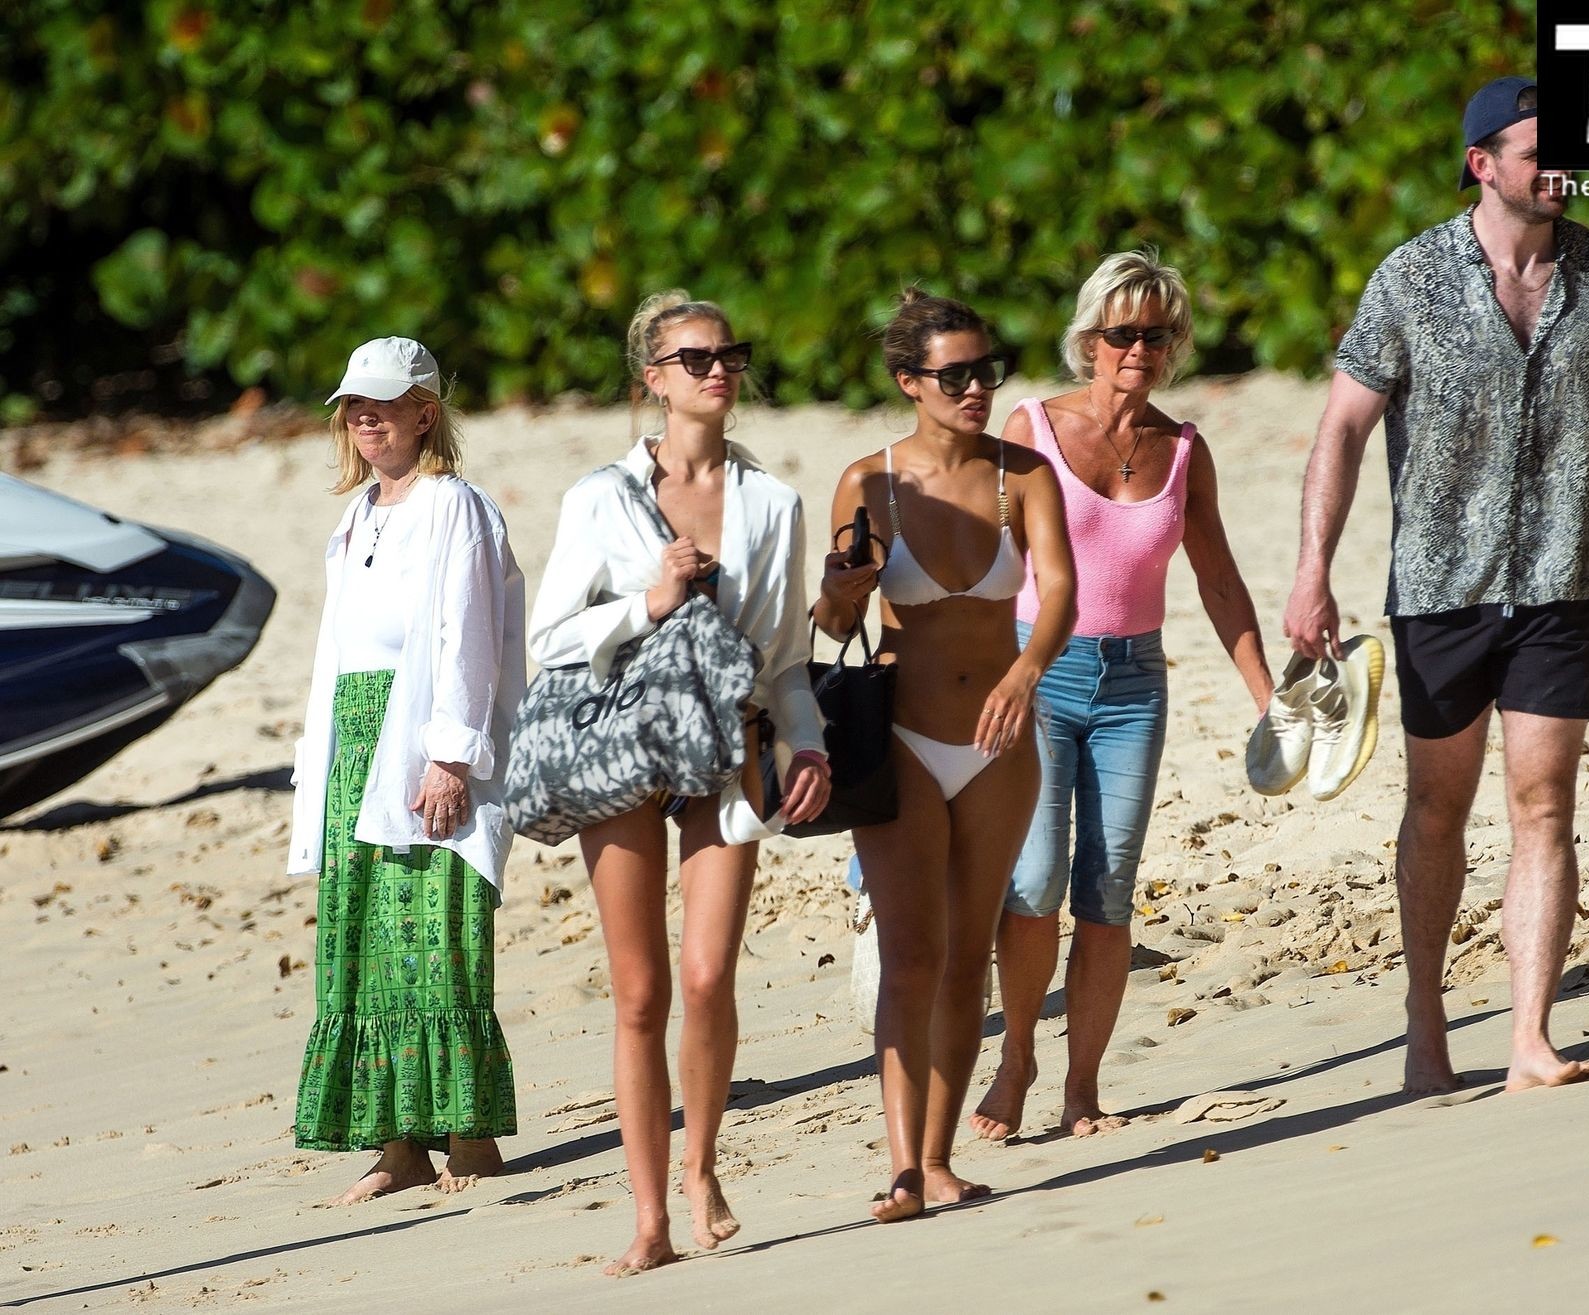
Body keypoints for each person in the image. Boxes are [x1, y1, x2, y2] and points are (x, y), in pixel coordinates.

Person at [1282, 76, 1589, 1095]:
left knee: (1544, 803)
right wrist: (1312, 569)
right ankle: (1426, 1026)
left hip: (1562, 583)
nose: (1561, 170)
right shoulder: (1410, 278)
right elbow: (1343, 427)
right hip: (1439, 589)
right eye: (1540, 152)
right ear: (1482, 163)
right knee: (1436, 807)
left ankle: (1530, 1038)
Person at [528, 292, 831, 1274]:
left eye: (729, 354)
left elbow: (787, 658)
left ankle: (702, 1168)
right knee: (640, 991)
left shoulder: (774, 504)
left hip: (729, 752)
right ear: (652, 379)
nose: (718, 370)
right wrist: (647, 602)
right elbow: (549, 638)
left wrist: (809, 744)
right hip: (620, 750)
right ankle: (650, 1217)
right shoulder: (598, 498)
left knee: (706, 977)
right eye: (695, 358)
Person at [970, 251, 1274, 1142]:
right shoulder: (1031, 427)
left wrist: (1268, 698)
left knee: (1107, 890)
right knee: (1034, 879)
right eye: (1123, 332)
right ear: (1089, 339)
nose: (1140, 347)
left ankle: (1083, 1088)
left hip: (1135, 684)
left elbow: (1219, 580)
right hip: (1038, 673)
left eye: (1158, 333)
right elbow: (989, 567)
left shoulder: (1184, 451)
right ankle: (1017, 1057)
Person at [814, 290, 1075, 1221]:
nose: (975, 388)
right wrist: (841, 592)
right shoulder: (869, 481)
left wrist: (1026, 673)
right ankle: (899, 1168)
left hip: (1000, 740)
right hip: (904, 738)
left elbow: (1060, 593)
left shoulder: (1023, 474)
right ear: (908, 382)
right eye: (954, 374)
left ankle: (936, 1159)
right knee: (910, 954)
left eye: (985, 370)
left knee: (969, 958)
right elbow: (834, 620)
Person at [288, 336, 526, 1204]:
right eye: (354, 405)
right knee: (364, 942)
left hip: (421, 735)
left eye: (382, 404)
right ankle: (398, 1146)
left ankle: (469, 1136)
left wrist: (450, 755)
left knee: (436, 934)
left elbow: (469, 635)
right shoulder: (357, 516)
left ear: (425, 413)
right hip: (355, 742)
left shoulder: (453, 504)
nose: (364, 418)